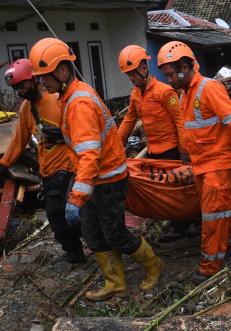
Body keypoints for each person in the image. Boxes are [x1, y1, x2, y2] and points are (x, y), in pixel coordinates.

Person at [29, 38, 162, 301]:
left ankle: (153, 265)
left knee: (116, 234)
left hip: (107, 179)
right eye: (39, 77)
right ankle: (115, 283)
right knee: (92, 232)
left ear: (63, 71)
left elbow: (90, 155)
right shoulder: (69, 97)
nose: (42, 82)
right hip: (93, 179)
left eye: (45, 75)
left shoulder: (78, 103)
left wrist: (76, 197)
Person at [156, 41, 231, 284]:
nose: (169, 80)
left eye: (171, 74)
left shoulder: (208, 88)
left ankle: (209, 266)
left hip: (218, 165)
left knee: (211, 216)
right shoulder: (186, 94)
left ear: (184, 67)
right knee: (219, 211)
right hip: (202, 165)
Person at [0, 59, 85, 265]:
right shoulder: (26, 110)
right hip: (47, 171)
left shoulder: (58, 99)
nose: (19, 91)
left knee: (57, 213)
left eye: (22, 85)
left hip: (68, 166)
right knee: (59, 214)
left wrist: (64, 135)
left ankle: (76, 253)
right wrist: (4, 163)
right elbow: (19, 139)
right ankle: (82, 248)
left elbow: (80, 130)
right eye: (15, 88)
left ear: (33, 79)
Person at [117, 45, 191, 241]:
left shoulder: (165, 91)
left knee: (175, 191)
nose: (131, 78)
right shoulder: (136, 95)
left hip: (171, 152)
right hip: (154, 153)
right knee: (162, 192)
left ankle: (181, 225)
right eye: (127, 75)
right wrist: (115, 144)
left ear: (143, 69)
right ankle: (176, 222)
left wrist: (184, 149)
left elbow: (180, 121)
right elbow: (128, 122)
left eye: (132, 73)